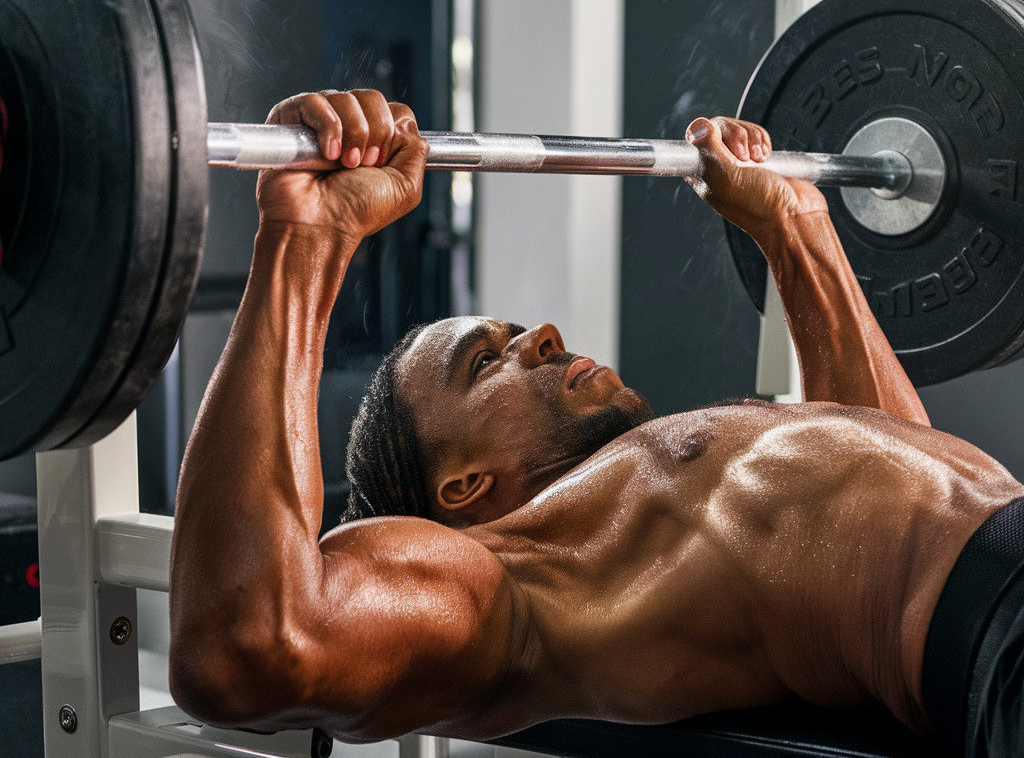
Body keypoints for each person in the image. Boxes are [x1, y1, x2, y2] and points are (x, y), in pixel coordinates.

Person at [169, 90, 1024, 758]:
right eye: (485, 361)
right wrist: (303, 236)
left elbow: (902, 449)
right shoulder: (510, 595)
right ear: (461, 489)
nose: (542, 337)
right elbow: (245, 646)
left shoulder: (662, 487)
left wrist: (797, 229)